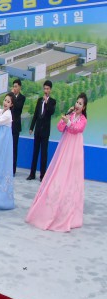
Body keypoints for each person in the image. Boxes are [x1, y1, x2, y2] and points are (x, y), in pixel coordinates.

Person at [26, 93, 88, 232]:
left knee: (72, 178)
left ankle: (68, 210)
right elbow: (61, 128)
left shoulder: (83, 119)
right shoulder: (71, 115)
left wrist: (69, 123)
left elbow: (78, 129)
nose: (77, 105)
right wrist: (65, 119)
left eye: (80, 104)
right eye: (77, 102)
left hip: (74, 149)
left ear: (84, 107)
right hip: (65, 147)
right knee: (59, 174)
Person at [28, 80, 57, 181]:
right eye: (44, 88)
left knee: (44, 153)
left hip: (45, 131)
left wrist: (47, 102)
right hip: (37, 130)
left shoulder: (52, 101)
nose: (46, 90)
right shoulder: (39, 100)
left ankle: (42, 175)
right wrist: (32, 127)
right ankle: (32, 174)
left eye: (47, 89)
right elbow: (36, 114)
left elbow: (51, 112)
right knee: (35, 152)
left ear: (50, 90)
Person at [9, 78, 26, 175]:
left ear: (19, 87)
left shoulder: (22, 98)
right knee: (7, 147)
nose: (14, 88)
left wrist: (12, 97)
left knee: (14, 148)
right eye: (13, 86)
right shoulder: (10, 97)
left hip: (15, 126)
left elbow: (18, 108)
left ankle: (13, 170)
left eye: (16, 87)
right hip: (8, 125)